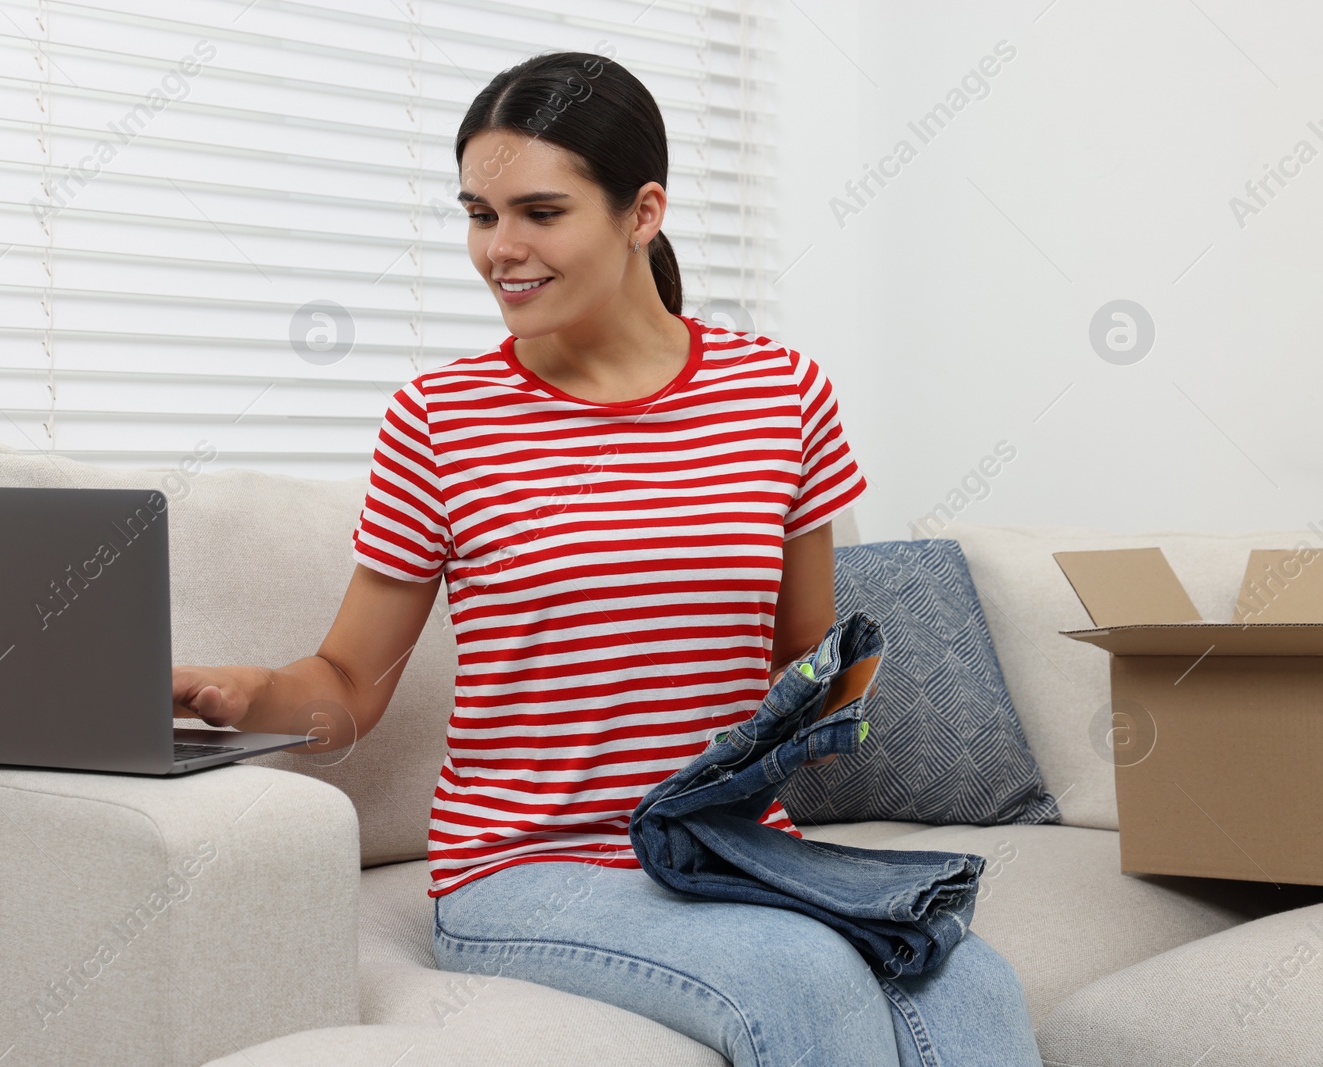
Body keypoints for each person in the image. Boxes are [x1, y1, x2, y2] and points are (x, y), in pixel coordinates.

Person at [171, 50, 1042, 1067]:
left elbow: (803, 653)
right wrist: (249, 694)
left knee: (965, 975)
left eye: (540, 212)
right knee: (802, 981)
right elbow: (350, 685)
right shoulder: (438, 419)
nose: (500, 249)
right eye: (478, 214)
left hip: (729, 850)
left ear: (642, 212)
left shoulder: (778, 392)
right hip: (522, 866)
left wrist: (831, 698)